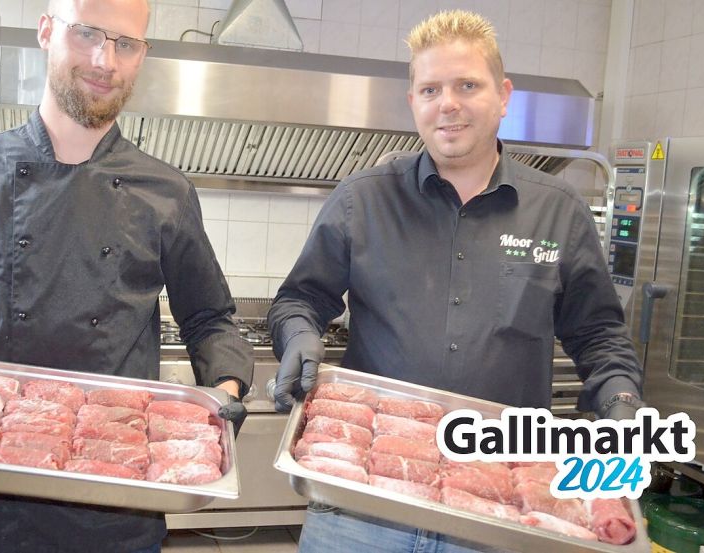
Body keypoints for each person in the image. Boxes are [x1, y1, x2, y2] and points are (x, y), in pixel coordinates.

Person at [0, 1, 252, 551]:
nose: (105, 59)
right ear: (45, 32)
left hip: (116, 500)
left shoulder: (166, 192)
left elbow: (208, 318)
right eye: (86, 35)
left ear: (142, 56)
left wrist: (224, 388)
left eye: (125, 44)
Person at [268, 9, 643, 553]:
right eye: (430, 88)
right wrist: (299, 335)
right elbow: (299, 299)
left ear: (504, 95)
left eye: (467, 84)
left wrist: (622, 404)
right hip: (361, 501)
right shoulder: (362, 200)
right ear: (413, 101)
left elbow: (600, 337)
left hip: (504, 509)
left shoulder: (559, 213)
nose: (448, 103)